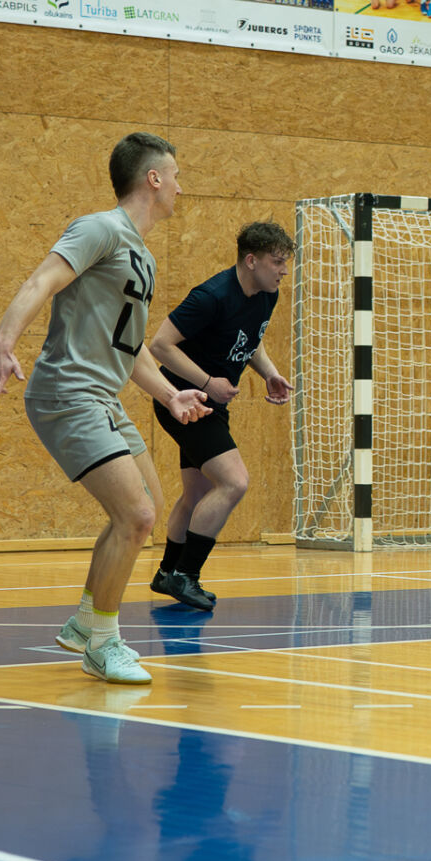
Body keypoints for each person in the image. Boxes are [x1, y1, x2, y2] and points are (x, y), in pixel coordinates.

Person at [0, 134, 211, 684]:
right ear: (153, 178)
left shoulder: (143, 256)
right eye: (175, 175)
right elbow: (42, 279)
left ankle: (87, 620)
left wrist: (170, 394)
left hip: (103, 396)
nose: (180, 187)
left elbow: (128, 348)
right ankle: (103, 644)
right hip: (68, 392)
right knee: (137, 516)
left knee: (149, 506)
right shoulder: (99, 229)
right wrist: (3, 342)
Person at [146, 221, 296, 610]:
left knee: (197, 494)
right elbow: (160, 345)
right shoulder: (211, 296)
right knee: (234, 482)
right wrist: (207, 381)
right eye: (277, 262)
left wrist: (269, 373)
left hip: (211, 404)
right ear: (251, 260)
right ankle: (186, 575)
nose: (284, 271)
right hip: (184, 401)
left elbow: (250, 339)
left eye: (286, 262)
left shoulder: (266, 294)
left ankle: (167, 572)